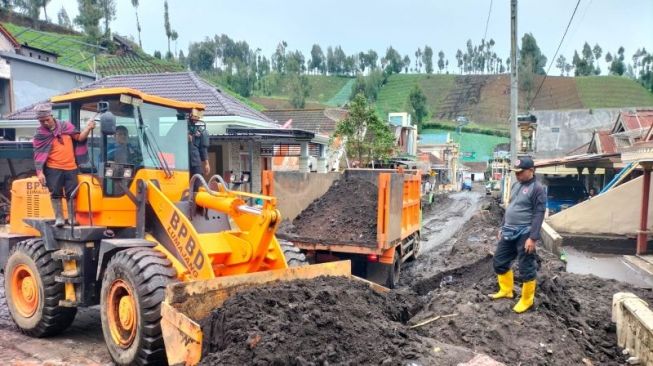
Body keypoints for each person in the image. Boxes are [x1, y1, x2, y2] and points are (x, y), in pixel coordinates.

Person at [489, 156, 546, 313]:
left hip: (525, 232)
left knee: (526, 266)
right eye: (516, 172)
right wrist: (502, 226)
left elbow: (539, 213)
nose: (517, 175)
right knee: (499, 261)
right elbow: (511, 207)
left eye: (520, 172)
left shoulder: (537, 188)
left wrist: (532, 237)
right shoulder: (516, 185)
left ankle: (527, 300)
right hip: (509, 229)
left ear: (531, 171)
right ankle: (507, 290)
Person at [32, 103, 95, 227]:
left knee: (72, 194)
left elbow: (80, 138)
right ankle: (59, 218)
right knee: (55, 193)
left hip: (71, 168)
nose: (45, 123)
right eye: (41, 121)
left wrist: (88, 129)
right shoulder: (40, 134)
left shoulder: (66, 126)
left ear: (52, 116)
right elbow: (38, 155)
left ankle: (71, 219)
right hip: (53, 169)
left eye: (47, 120)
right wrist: (40, 172)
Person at [188, 116, 210, 190]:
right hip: (182, 161)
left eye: (197, 116)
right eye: (194, 116)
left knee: (197, 185)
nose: (196, 118)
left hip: (195, 161)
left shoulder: (200, 130)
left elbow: (203, 148)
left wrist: (207, 163)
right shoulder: (180, 126)